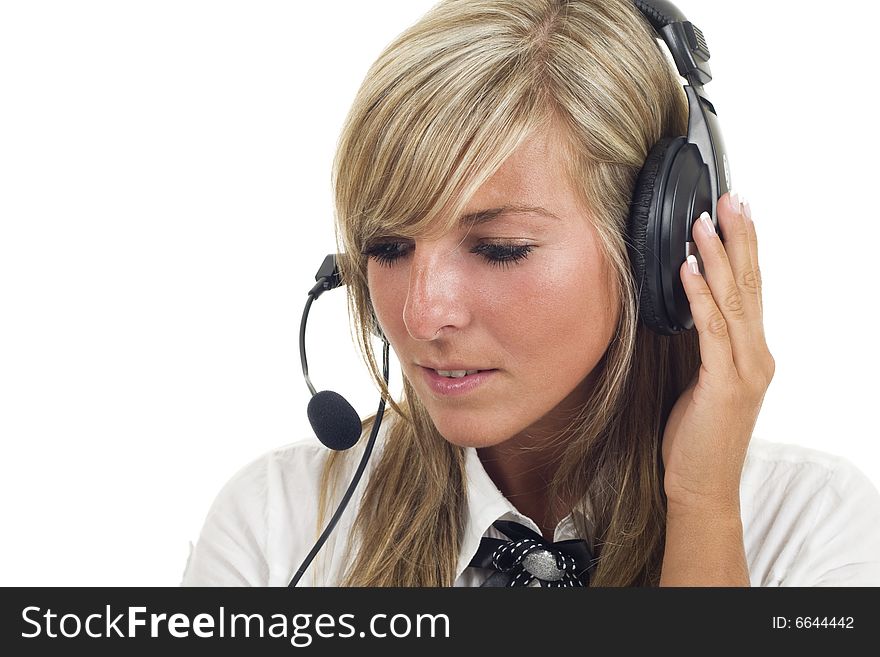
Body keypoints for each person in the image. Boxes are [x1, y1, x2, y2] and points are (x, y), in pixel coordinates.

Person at [181, 0, 880, 587]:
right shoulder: (275, 530)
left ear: (660, 245)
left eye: (499, 249)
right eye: (389, 247)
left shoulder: (809, 525)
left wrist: (702, 506)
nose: (422, 312)